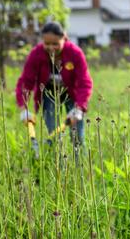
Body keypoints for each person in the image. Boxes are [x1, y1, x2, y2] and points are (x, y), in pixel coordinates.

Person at [16, 22, 93, 150]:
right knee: (53, 135)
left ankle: (79, 167)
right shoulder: (36, 54)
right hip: (48, 94)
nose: (51, 47)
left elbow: (84, 82)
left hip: (71, 94)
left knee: (77, 136)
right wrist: (23, 108)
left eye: (55, 44)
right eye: (47, 44)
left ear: (64, 38)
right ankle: (57, 165)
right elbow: (26, 81)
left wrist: (79, 107)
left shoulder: (75, 53)